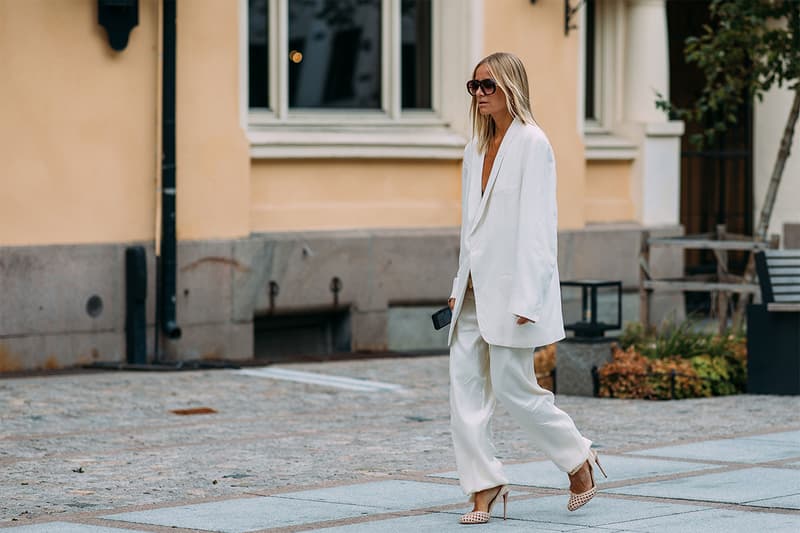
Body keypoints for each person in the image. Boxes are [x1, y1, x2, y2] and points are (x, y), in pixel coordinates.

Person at [447, 52, 606, 525]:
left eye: (488, 86)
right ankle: (484, 484)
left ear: (511, 87)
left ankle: (578, 459)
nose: (479, 95)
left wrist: (529, 296)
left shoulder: (533, 143)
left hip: (515, 291)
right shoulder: (474, 150)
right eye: (473, 86)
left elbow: (539, 226)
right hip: (473, 290)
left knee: (516, 388)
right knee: (464, 390)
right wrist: (458, 285)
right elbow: (469, 229)